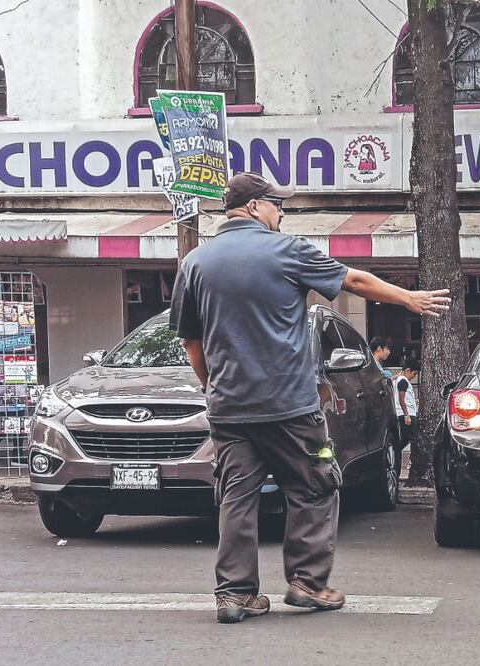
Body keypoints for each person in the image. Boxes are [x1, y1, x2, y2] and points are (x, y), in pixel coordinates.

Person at [170, 172, 450, 624]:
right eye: (277, 205)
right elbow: (353, 281)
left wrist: (213, 386)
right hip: (290, 405)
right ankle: (307, 583)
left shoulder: (195, 263)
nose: (282, 213)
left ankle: (235, 595)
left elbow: (192, 343)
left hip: (230, 407)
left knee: (237, 496)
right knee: (315, 487)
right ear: (255, 207)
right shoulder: (287, 251)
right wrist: (408, 298)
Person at [393, 358, 420, 453]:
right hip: (407, 413)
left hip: (405, 413)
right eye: (414, 374)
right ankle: (396, 452)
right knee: (411, 438)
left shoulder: (397, 381)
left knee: (406, 438)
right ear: (408, 370)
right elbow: (401, 398)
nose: (414, 376)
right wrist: (406, 415)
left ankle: (396, 452)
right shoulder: (403, 381)